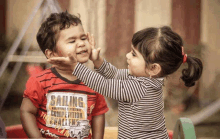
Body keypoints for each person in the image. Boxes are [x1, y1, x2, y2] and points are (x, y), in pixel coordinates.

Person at [48, 26, 203, 139]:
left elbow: (105, 85)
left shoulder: (140, 88)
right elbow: (114, 75)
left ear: (153, 68)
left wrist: (76, 67)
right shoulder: (145, 78)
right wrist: (97, 61)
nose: (128, 56)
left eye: (134, 55)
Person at [20, 11, 109, 139]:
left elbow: (98, 114)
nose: (81, 43)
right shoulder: (40, 81)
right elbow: (26, 111)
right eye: (72, 41)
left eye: (83, 38)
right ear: (52, 54)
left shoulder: (94, 81)